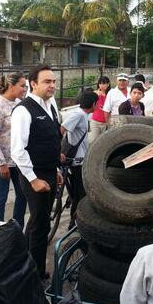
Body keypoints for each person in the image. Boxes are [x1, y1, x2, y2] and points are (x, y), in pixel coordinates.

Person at [10, 64, 62, 279]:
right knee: (40, 226)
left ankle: (24, 262)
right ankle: (36, 274)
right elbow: (17, 150)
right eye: (47, 82)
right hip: (34, 175)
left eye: (53, 81)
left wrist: (56, 169)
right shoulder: (23, 110)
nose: (52, 85)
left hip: (49, 171)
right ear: (33, 84)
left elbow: (52, 139)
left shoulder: (51, 105)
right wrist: (33, 180)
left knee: (37, 222)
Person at [0, 73, 28, 226]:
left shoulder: (20, 104)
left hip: (17, 159)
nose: (25, 89)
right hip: (0, 162)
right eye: (22, 86)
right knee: (1, 196)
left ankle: (17, 227)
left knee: (22, 194)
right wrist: (2, 163)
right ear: (11, 86)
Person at [60, 91, 98, 228]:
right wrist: (59, 150)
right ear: (93, 104)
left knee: (79, 193)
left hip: (81, 160)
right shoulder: (78, 114)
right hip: (76, 162)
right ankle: (74, 223)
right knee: (80, 195)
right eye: (97, 103)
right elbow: (62, 128)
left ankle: (75, 221)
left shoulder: (83, 115)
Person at [89, 76, 110, 144]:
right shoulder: (95, 93)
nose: (101, 85)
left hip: (106, 122)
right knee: (94, 141)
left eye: (104, 83)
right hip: (95, 121)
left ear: (108, 84)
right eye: (100, 83)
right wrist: (95, 95)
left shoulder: (110, 94)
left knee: (105, 142)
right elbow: (89, 102)